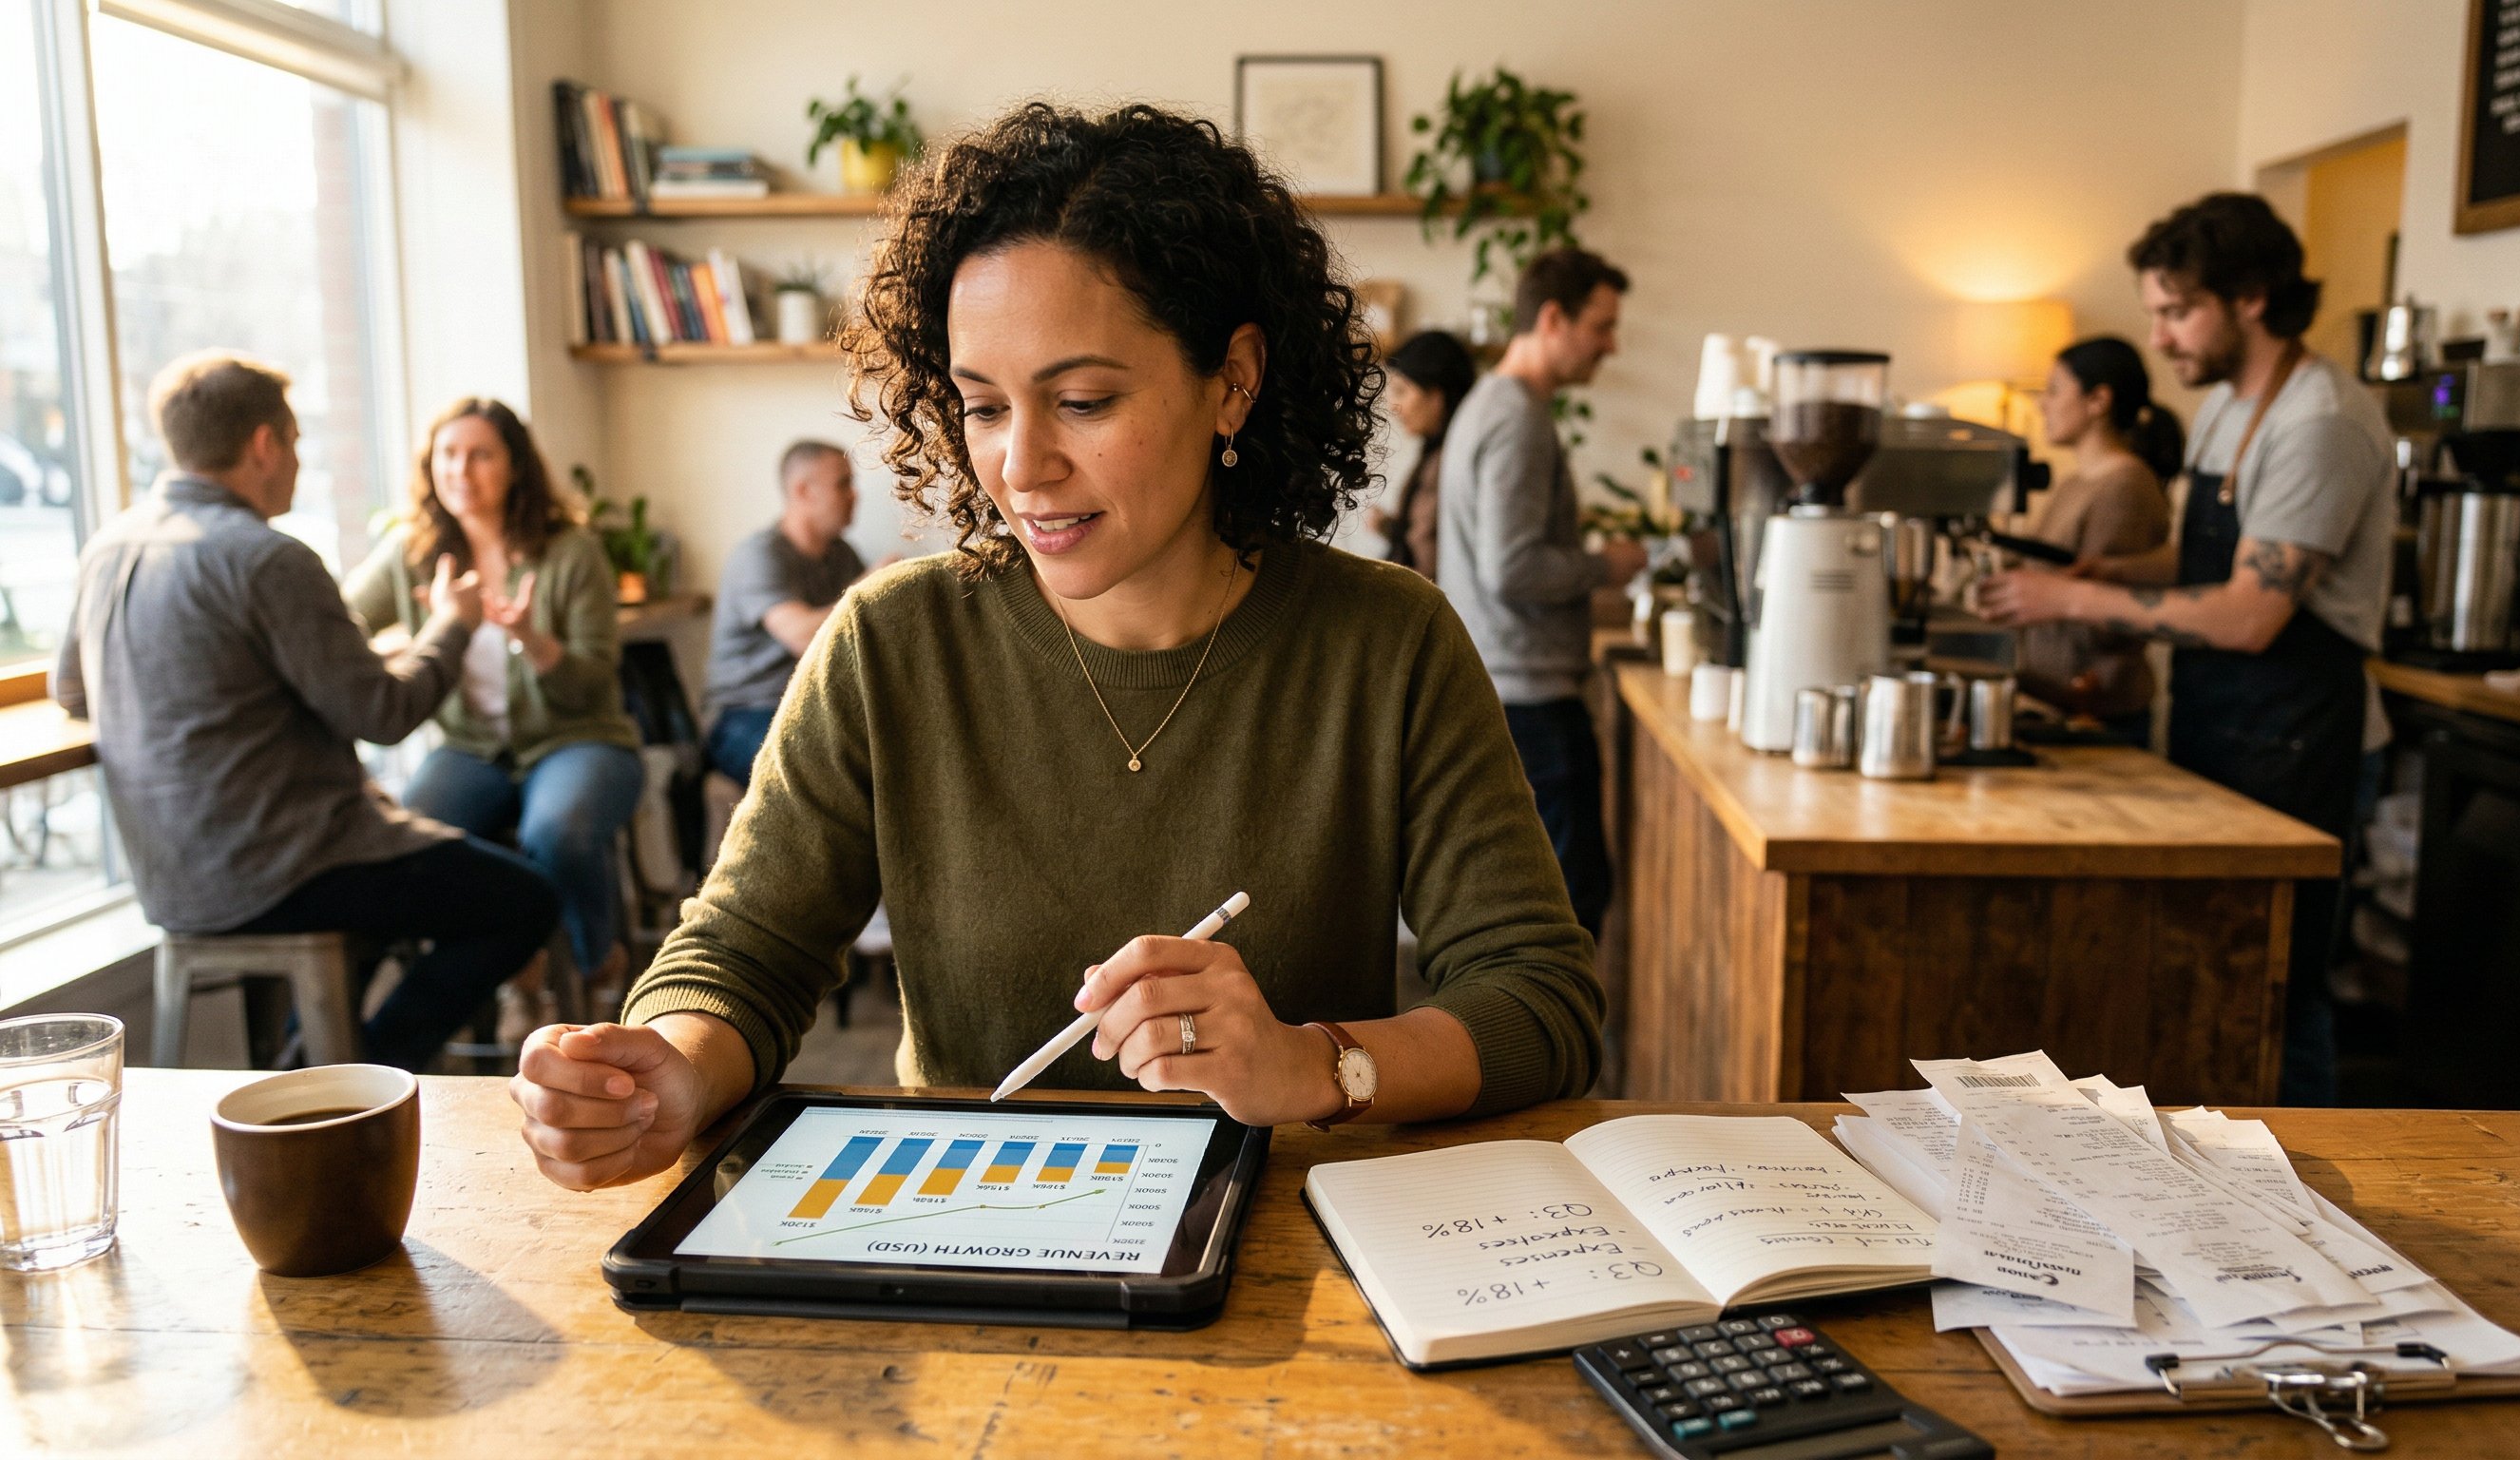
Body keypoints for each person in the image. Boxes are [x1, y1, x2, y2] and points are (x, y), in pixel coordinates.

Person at [506, 102, 1603, 1190]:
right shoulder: (892, 643)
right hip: (964, 1247)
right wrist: (671, 1075)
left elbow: (1538, 1000)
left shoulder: (1388, 643)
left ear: (1233, 381)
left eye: (1081, 400)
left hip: (1291, 1266)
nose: (1022, 466)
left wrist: (1310, 1063)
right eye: (983, 407)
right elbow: (743, 953)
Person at [1978, 193, 2396, 1105]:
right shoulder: (2226, 406)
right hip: (2225, 721)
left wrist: (2079, 596)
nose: (2159, 340)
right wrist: (2116, 566)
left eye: (2176, 311)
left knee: (2285, 991)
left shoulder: (2319, 422)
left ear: (2251, 296)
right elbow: (2209, 553)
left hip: (2302, 739)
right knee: (2218, 980)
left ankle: (2324, 1193)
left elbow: (2252, 611)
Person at [55, 352, 557, 1071]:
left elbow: (73, 691)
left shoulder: (108, 546)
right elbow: (385, 713)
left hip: (174, 878)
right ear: (264, 444)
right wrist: (452, 622)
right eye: (293, 441)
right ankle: (356, 1076)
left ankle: (313, 1058)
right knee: (524, 900)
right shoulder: (268, 559)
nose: (296, 459)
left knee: (401, 880)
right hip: (287, 870)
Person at [345, 399, 645, 992]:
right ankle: (510, 969)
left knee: (555, 831)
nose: (462, 470)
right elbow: (337, 624)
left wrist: (530, 638)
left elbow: (594, 682)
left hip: (578, 740)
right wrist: (413, 645)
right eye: (448, 455)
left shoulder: (571, 551)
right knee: (413, 839)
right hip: (470, 750)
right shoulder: (413, 551)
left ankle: (595, 959)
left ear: (515, 467)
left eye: (481, 455)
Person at [1435, 248, 1648, 937]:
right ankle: (1549, 1048)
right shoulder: (1517, 418)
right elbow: (1512, 568)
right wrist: (1606, 566)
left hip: (1510, 688)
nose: (1610, 345)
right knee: (1569, 906)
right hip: (1529, 700)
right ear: (1552, 318)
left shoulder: (1492, 405)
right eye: (1602, 325)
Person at [2014, 336, 2180, 745]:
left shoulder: (2125, 485)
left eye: (2054, 391)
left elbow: (2105, 622)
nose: (2042, 404)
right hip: (2053, 700)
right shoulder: (2076, 483)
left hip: (2095, 710)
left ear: (2098, 400)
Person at [702, 440, 869, 785]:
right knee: (824, 775)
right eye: (843, 484)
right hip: (744, 715)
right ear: (803, 491)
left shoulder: (843, 556)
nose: (855, 495)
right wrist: (868, 588)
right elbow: (801, 637)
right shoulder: (759, 556)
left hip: (815, 710)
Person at [1364, 330, 1476, 580]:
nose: (1394, 405)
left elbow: (1427, 555)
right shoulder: (1439, 452)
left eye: (1402, 391)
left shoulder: (1448, 461)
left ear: (1436, 397)